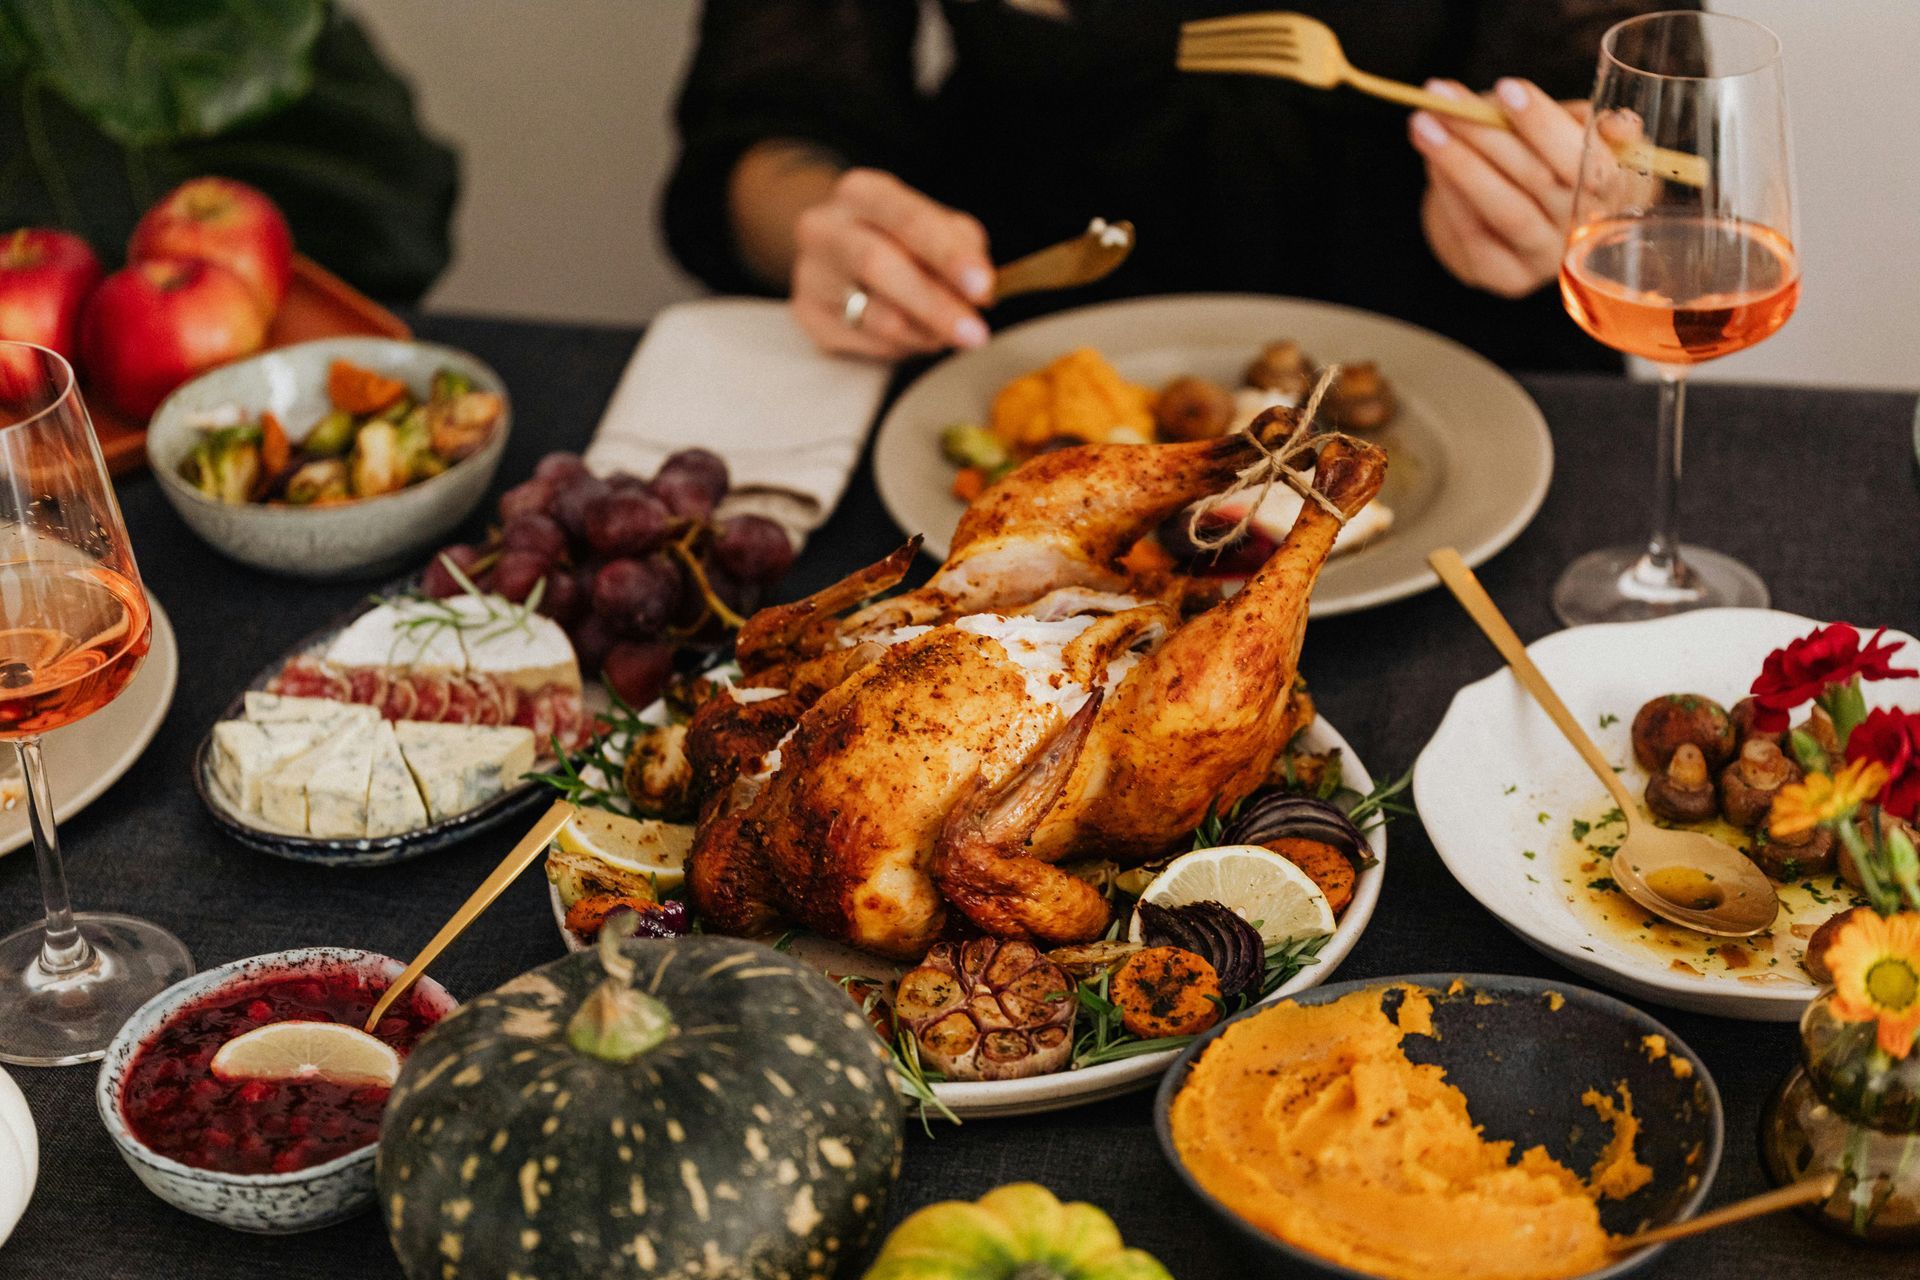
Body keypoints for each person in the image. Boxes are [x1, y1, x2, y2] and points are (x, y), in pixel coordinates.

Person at [665, 1, 1694, 371]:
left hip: (1459, 407)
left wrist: (1575, 189)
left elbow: (1664, 152)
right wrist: (827, 232)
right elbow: (767, 120)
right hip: (991, 374)